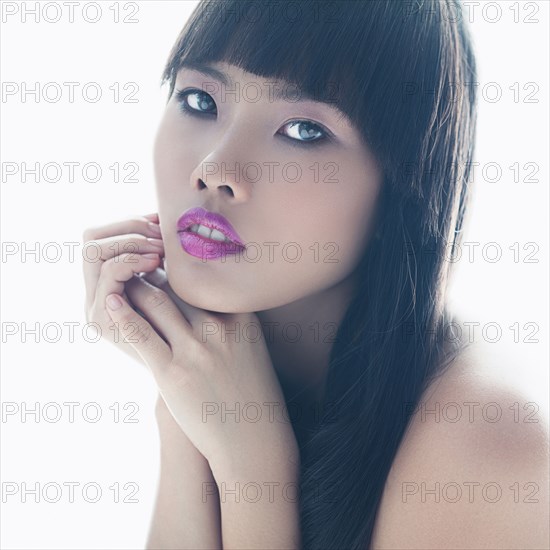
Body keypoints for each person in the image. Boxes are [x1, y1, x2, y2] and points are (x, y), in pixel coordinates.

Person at [81, 1, 549, 548]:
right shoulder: (221, 365)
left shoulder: (483, 443)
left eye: (303, 130)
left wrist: (255, 472)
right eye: (200, 99)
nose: (215, 168)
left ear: (401, 191)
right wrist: (182, 393)